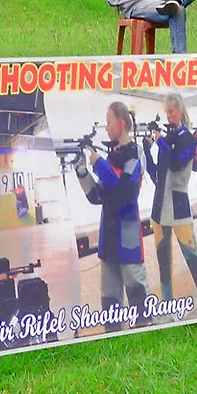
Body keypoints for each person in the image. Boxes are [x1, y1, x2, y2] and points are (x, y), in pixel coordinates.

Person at [74, 101, 148, 330]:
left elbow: (125, 192)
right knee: (109, 299)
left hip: (127, 238)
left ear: (121, 123)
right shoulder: (113, 157)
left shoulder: (135, 154)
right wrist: (83, 172)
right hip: (108, 239)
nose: (106, 128)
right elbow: (98, 197)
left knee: (136, 292)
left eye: (108, 122)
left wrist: (99, 165)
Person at [149, 94, 197, 307]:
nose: (169, 116)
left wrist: (160, 141)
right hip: (159, 207)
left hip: (178, 206)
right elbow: (156, 175)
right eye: (167, 112)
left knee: (193, 255)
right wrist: (148, 150)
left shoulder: (188, 137)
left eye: (172, 111)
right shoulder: (168, 138)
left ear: (180, 111)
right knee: (163, 260)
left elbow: (177, 163)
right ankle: (166, 304)